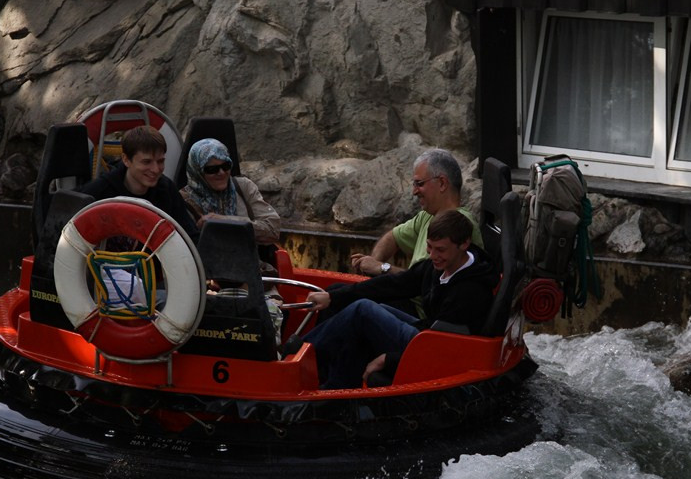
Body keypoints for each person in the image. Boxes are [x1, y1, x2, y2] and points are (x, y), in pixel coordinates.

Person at [302, 209, 497, 389]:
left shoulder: (470, 291)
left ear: (463, 244)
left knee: (363, 310)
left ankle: (299, 351)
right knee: (355, 302)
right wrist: (332, 297)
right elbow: (394, 284)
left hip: (430, 344)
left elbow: (443, 350)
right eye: (429, 247)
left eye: (441, 249)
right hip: (427, 331)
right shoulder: (438, 267)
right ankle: (334, 387)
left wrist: (390, 359)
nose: (434, 255)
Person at [350, 148, 484, 277]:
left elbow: (426, 283)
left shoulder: (458, 225)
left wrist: (382, 268)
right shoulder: (428, 215)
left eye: (419, 184)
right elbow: (393, 237)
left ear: (442, 183)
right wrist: (373, 263)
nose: (414, 191)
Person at [78, 125, 200, 243]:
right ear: (126, 160)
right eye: (146, 162)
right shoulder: (101, 190)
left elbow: (189, 236)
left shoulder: (167, 189)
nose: (156, 169)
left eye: (160, 161)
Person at [181, 138, 281, 250]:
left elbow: (273, 230)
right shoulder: (183, 200)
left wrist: (226, 221)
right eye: (212, 169)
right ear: (197, 172)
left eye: (226, 165)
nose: (221, 173)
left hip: (249, 263)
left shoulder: (243, 187)